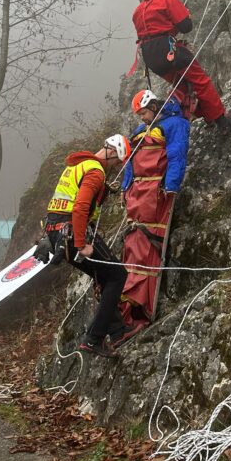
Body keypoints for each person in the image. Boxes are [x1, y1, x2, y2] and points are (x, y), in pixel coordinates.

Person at [40, 134, 132, 356]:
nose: (115, 167)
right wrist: (82, 245)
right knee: (118, 274)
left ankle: (117, 329)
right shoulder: (95, 172)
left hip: (57, 232)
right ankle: (94, 338)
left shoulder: (80, 165)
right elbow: (80, 207)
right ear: (112, 153)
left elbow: (66, 200)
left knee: (104, 274)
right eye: (117, 162)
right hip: (73, 233)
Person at [113, 89, 191, 340]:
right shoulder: (139, 131)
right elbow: (131, 163)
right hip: (137, 193)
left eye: (145, 113)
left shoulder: (175, 124)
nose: (143, 118)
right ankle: (126, 300)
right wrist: (126, 187)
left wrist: (172, 185)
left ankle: (141, 304)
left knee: (148, 244)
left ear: (154, 105)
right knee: (134, 242)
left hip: (156, 191)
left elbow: (177, 154)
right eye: (140, 114)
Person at [131, 0, 231, 135]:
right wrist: (184, 14)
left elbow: (150, 30)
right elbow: (186, 26)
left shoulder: (138, 10)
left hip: (150, 58)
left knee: (183, 87)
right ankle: (222, 122)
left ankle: (208, 117)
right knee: (200, 82)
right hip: (168, 50)